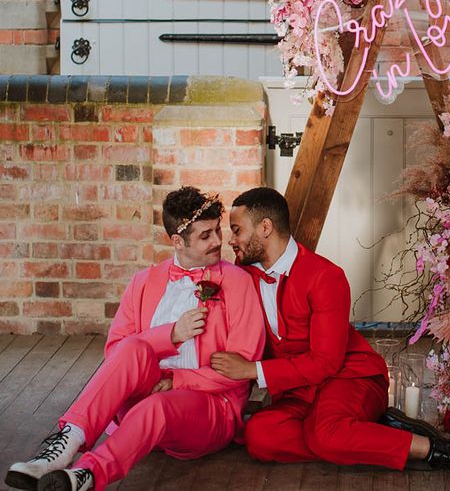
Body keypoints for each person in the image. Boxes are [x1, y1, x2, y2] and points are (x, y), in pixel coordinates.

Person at [211, 187, 450, 478]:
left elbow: (325, 362)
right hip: (298, 391)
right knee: (261, 437)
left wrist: (252, 370)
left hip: (349, 376)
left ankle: (443, 450)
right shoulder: (244, 273)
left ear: (265, 227)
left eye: (237, 231)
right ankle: (367, 433)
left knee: (324, 434)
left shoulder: (325, 276)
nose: (232, 241)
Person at [6, 186, 265, 491]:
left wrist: (177, 382)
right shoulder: (144, 282)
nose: (218, 242)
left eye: (217, 231)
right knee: (131, 348)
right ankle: (66, 442)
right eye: (205, 235)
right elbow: (117, 353)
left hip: (208, 411)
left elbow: (241, 366)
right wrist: (170, 335)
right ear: (177, 241)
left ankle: (86, 474)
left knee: (158, 406)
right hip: (139, 402)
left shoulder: (237, 282)